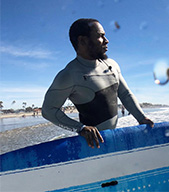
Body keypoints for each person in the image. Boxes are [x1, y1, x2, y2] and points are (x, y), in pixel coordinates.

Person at [42, 18, 154, 149]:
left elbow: (125, 94)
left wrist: (141, 118)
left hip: (113, 139)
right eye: (100, 36)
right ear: (82, 40)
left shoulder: (112, 65)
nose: (106, 41)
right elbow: (48, 110)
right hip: (92, 146)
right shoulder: (69, 75)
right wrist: (81, 129)